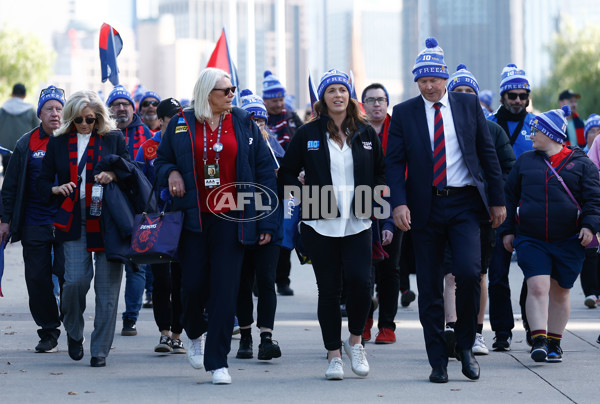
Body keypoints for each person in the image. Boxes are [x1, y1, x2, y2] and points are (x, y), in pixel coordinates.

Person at [386, 38, 506, 383]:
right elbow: (394, 164)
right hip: (424, 207)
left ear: (445, 78)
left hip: (465, 203)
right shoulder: (405, 113)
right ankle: (437, 359)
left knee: (469, 273)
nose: (428, 86)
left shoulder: (468, 106)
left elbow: (488, 156)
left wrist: (497, 201)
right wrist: (399, 203)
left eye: (434, 80)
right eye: (422, 81)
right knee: (430, 287)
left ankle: (465, 345)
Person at [154, 68, 278, 385]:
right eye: (226, 89)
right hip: (192, 217)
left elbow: (265, 172)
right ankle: (194, 331)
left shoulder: (243, 122)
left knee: (225, 289)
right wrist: (171, 173)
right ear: (208, 92)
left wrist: (266, 219)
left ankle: (218, 362)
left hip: (233, 218)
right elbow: (161, 160)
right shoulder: (181, 122)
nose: (232, 94)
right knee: (193, 285)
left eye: (233, 89)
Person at [279, 69, 385, 381]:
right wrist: (299, 193)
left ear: (349, 95)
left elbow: (381, 171)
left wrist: (378, 202)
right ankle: (334, 355)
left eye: (342, 90)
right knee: (328, 289)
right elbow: (286, 173)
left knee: (361, 283)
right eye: (330, 91)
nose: (337, 95)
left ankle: (355, 341)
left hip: (358, 220)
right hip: (319, 222)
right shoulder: (307, 134)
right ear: (322, 99)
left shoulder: (365, 133)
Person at [500, 105, 600, 363]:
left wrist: (589, 226)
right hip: (532, 239)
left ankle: (555, 342)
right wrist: (508, 230)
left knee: (561, 290)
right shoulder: (525, 162)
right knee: (537, 285)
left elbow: (593, 200)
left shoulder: (582, 164)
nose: (531, 134)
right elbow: (509, 199)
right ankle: (539, 340)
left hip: (569, 240)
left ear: (552, 134)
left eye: (536, 130)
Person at [37, 90, 129, 367]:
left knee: (107, 290)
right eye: (78, 119)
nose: (84, 124)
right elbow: (41, 183)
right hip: (73, 216)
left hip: (108, 218)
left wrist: (113, 174)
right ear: (70, 119)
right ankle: (74, 333)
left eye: (90, 118)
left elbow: (130, 171)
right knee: (74, 282)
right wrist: (56, 188)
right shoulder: (58, 143)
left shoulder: (113, 138)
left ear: (99, 117)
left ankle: (100, 349)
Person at [443, 65, 516, 356]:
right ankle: (450, 328)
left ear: (477, 97)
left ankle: (475, 332)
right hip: (447, 209)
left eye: (468, 93)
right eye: (457, 92)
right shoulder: (440, 125)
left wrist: (492, 196)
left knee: (478, 274)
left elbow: (507, 169)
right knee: (450, 274)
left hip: (481, 212)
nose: (462, 97)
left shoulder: (492, 129)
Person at [0, 86, 66, 353]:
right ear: (39, 113)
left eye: (59, 109)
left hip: (67, 223)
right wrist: (5, 220)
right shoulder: (26, 144)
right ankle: (48, 331)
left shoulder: (73, 139)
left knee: (71, 279)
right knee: (37, 280)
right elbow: (11, 186)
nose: (55, 114)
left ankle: (72, 324)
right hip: (34, 222)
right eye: (49, 109)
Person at [487, 63, 536, 351]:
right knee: (497, 275)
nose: (518, 100)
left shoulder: (539, 126)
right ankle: (502, 331)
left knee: (534, 273)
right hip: (497, 208)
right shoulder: (489, 124)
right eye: (513, 95)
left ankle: (533, 327)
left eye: (523, 95)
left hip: (531, 208)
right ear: (503, 96)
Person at [235, 89, 284, 361]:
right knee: (242, 282)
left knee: (266, 281)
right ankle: (244, 336)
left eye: (262, 120)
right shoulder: (235, 147)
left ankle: (266, 336)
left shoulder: (276, 150)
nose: (257, 125)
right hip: (240, 223)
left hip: (271, 224)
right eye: (251, 120)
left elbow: (285, 189)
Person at [135, 97, 186, 354]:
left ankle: (178, 334)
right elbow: (137, 180)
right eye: (173, 117)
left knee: (180, 281)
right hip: (156, 221)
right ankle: (164, 333)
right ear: (162, 120)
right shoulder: (147, 148)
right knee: (161, 281)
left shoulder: (187, 143)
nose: (178, 121)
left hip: (183, 221)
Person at [360, 82, 408, 345]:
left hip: (395, 204)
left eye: (381, 99)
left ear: (387, 104)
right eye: (371, 100)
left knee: (391, 268)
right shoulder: (355, 131)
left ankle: (387, 326)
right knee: (363, 269)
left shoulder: (399, 130)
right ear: (363, 104)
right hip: (363, 206)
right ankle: (364, 322)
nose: (377, 104)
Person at [106, 85, 150, 336]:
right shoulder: (103, 134)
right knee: (107, 263)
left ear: (133, 108)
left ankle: (130, 317)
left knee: (138, 264)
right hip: (108, 209)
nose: (121, 108)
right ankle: (107, 316)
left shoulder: (147, 136)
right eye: (116, 104)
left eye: (126, 104)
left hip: (139, 207)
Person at [262, 70, 304, 297]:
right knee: (266, 231)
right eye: (274, 100)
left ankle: (283, 279)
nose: (279, 104)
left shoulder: (291, 118)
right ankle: (261, 279)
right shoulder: (259, 120)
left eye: (281, 99)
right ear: (265, 100)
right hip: (267, 184)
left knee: (286, 231)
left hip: (291, 184)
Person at [0, 83, 40, 172]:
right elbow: (38, 129)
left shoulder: (2, 110)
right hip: (25, 151)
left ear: (12, 94)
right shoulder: (30, 110)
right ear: (25, 95)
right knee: (23, 179)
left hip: (6, 151)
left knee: (8, 178)